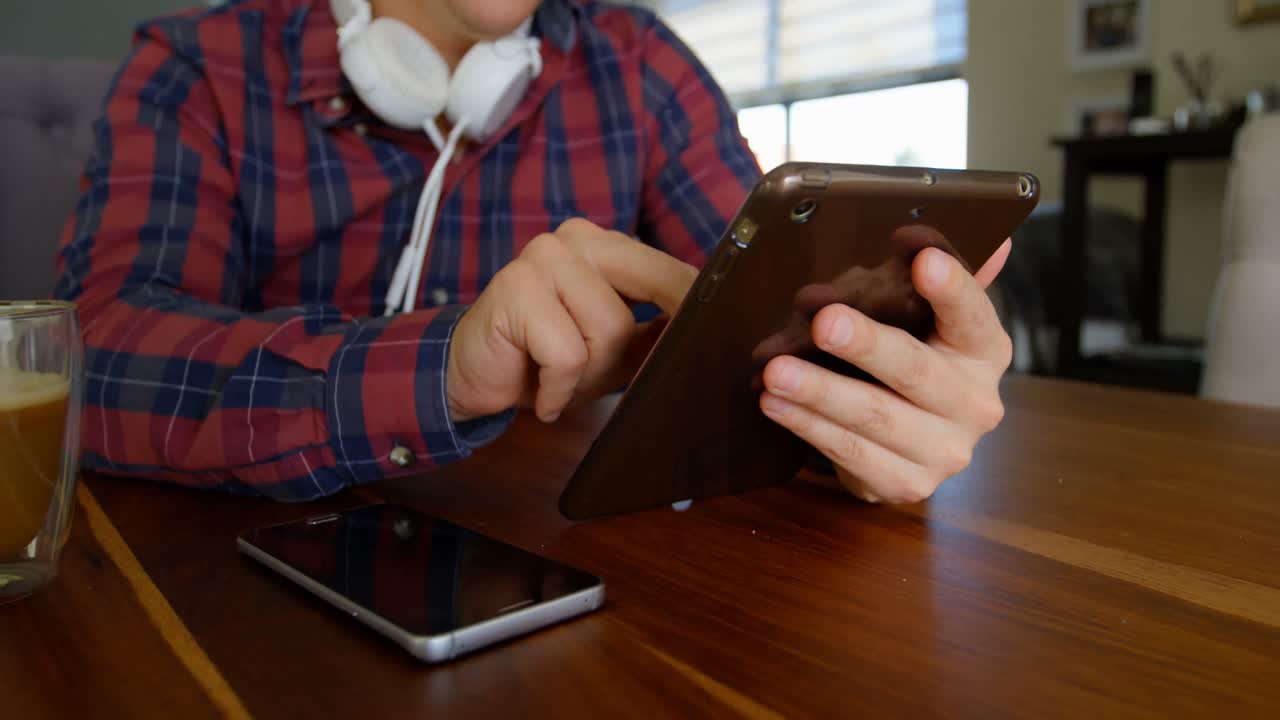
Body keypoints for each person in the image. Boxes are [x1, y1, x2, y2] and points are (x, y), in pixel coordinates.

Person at [56, 0, 1013, 504]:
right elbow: (85, 362)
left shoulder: (641, 65)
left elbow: (769, 315)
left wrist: (876, 404)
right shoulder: (199, 67)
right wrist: (438, 368)